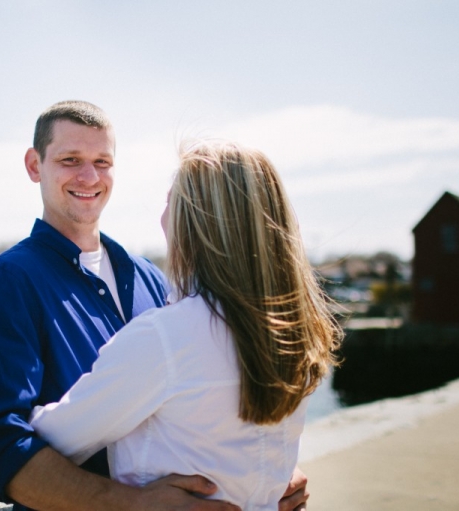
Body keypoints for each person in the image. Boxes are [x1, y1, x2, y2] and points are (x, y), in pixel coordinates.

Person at [0, 101, 310, 511]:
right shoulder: (4, 283)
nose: (89, 176)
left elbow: (212, 389)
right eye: (70, 160)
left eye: (102, 162)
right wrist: (130, 504)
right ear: (35, 165)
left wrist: (264, 473)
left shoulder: (149, 278)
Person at [29, 140, 341, 509]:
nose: (162, 218)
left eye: (169, 202)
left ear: (194, 222)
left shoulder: (164, 337)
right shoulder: (296, 331)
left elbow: (53, 437)